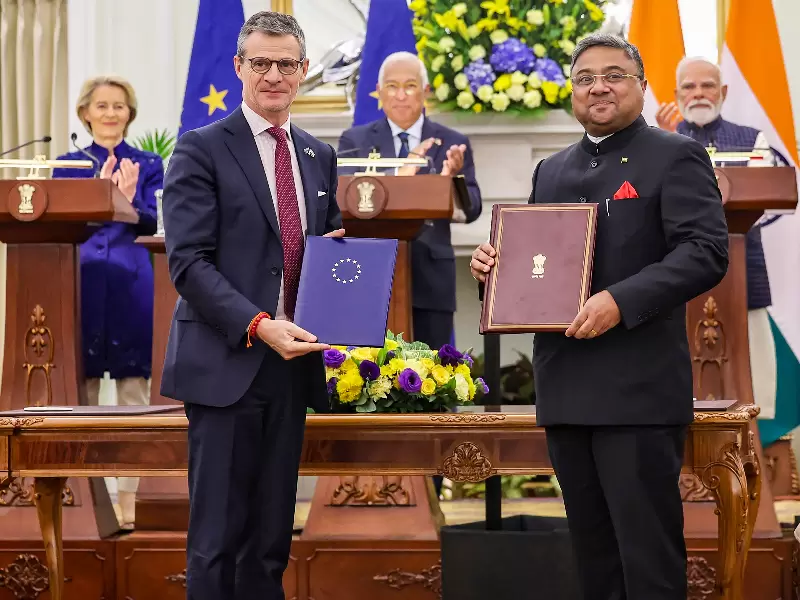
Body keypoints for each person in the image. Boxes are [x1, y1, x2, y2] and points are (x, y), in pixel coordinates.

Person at [471, 34, 728, 599]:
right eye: (585, 78)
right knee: (594, 561)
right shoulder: (551, 170)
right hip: (566, 389)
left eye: (614, 75)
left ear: (641, 86)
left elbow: (706, 252)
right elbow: (539, 266)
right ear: (572, 91)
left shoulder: (675, 155)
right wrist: (495, 269)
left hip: (637, 392)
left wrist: (620, 300)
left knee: (648, 561)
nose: (599, 87)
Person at [160, 11, 343, 600]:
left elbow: (327, 247)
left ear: (303, 70)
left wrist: (339, 267)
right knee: (216, 541)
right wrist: (260, 325)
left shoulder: (318, 155)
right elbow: (189, 263)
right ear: (239, 67)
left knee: (270, 541)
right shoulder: (200, 149)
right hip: (227, 362)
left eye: (285, 64)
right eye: (260, 63)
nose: (273, 75)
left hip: (292, 368)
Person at [53, 75, 162, 530]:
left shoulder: (149, 163)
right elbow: (60, 221)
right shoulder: (68, 165)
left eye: (119, 106)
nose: (111, 113)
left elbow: (156, 221)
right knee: (81, 388)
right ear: (85, 113)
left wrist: (125, 202)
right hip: (79, 281)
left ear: (129, 113)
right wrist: (97, 197)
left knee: (134, 389)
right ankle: (86, 497)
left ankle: (132, 498)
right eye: (102, 105)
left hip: (131, 283)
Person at [656, 55, 778, 420]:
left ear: (722, 91)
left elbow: (765, 202)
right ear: (677, 94)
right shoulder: (659, 141)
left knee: (750, 375)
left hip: (742, 270)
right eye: (689, 86)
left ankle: (751, 439)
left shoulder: (751, 139)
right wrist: (667, 137)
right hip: (678, 274)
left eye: (707, 85)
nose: (698, 93)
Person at [338, 51, 483, 351]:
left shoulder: (453, 142)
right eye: (392, 86)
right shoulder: (355, 140)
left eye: (410, 86)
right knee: (370, 370)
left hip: (431, 277)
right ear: (379, 92)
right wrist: (399, 176)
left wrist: (449, 183)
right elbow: (344, 201)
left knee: (433, 369)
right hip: (371, 272)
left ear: (425, 91)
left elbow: (472, 209)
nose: (401, 95)